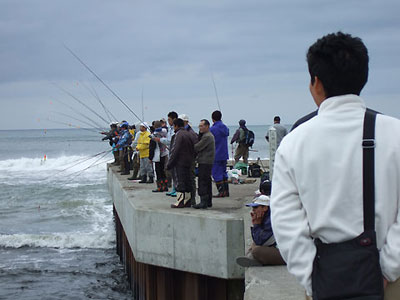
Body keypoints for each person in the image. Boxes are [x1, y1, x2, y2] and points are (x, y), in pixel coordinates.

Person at [271, 32, 400, 298]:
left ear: (316, 82)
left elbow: (286, 223)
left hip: (324, 279)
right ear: (363, 77)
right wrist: (387, 269)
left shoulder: (294, 143)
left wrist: (312, 278)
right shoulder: (395, 133)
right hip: (391, 283)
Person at [236, 180, 285, 267]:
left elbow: (261, 241)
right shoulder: (266, 216)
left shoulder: (272, 219)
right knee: (254, 245)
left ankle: (253, 258)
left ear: (265, 208)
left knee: (256, 250)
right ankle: (251, 258)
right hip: (279, 247)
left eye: (255, 208)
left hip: (289, 254)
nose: (253, 211)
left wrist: (256, 224)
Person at [167, 118, 195, 208]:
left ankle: (180, 201)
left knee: (179, 181)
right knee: (187, 181)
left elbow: (175, 150)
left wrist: (169, 163)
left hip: (179, 162)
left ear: (176, 126)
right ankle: (188, 200)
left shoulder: (178, 135)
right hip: (189, 162)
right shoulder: (189, 134)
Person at [192, 119, 215, 209]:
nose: (200, 128)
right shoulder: (207, 136)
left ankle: (203, 201)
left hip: (205, 161)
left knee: (202, 181)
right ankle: (208, 201)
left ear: (207, 126)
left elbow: (197, 147)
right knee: (207, 180)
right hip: (207, 161)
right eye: (199, 126)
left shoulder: (207, 136)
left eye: (202, 126)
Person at [179, 114, 198, 206]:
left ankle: (192, 199)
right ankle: (187, 199)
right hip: (184, 159)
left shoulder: (190, 132)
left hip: (189, 159)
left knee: (191, 179)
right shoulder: (185, 132)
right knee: (185, 179)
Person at [210, 110, 229, 198]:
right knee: (223, 172)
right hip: (224, 153)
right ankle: (226, 191)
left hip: (216, 153)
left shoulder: (213, 129)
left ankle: (221, 192)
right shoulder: (225, 127)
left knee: (216, 173)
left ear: (212, 119)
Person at [149, 121, 169, 192]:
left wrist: (150, 158)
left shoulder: (154, 135)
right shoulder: (165, 132)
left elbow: (152, 147)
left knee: (157, 172)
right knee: (163, 171)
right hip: (164, 154)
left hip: (157, 156)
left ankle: (160, 187)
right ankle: (165, 186)